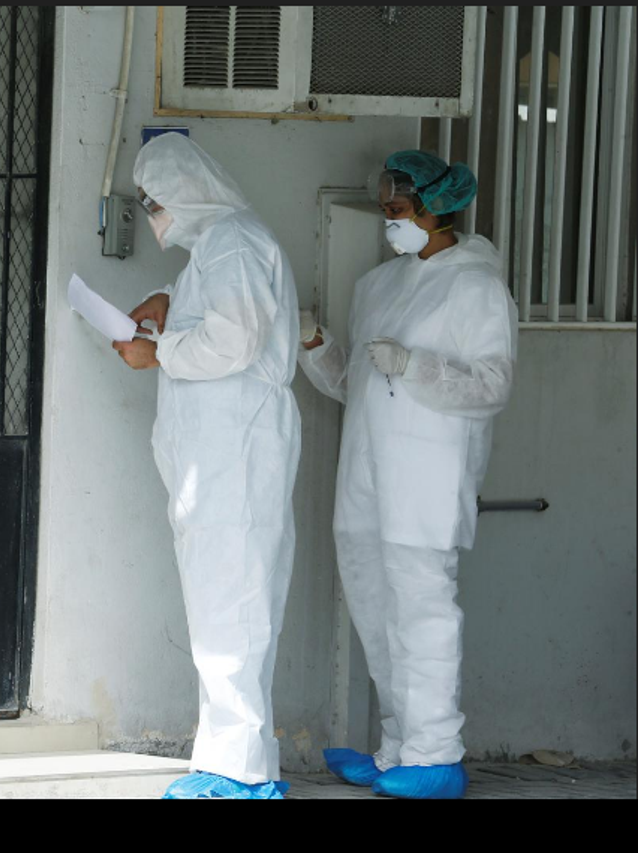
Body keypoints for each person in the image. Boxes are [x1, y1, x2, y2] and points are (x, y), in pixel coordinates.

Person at [298, 150, 517, 799]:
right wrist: (315, 344)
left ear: (435, 208)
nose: (389, 220)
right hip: (366, 475)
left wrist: (413, 364)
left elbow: (492, 385)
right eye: (386, 209)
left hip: (426, 477)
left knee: (422, 609)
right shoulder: (377, 286)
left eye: (398, 209)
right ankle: (398, 747)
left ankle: (436, 753)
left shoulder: (476, 287)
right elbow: (357, 384)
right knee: (375, 610)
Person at [113, 132, 300, 799]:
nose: (153, 214)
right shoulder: (216, 249)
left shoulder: (235, 241)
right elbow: (217, 310)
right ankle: (231, 761)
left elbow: (235, 338)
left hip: (236, 457)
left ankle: (239, 772)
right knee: (223, 609)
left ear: (188, 189)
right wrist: (168, 299)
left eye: (156, 200)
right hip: (218, 463)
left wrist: (158, 353)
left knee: (234, 609)